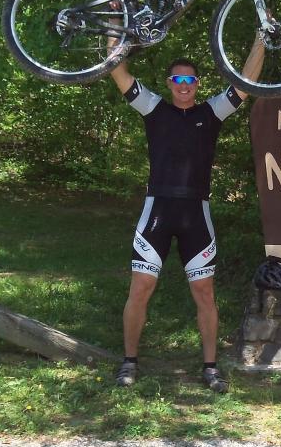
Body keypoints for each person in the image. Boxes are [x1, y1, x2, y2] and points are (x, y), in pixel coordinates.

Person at [108, 37, 265, 393]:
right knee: (141, 287)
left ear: (197, 85)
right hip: (158, 211)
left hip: (196, 212)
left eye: (190, 80)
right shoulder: (154, 108)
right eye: (178, 80)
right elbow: (117, 70)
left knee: (205, 293)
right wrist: (114, 27)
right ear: (169, 84)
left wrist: (260, 40)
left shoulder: (210, 112)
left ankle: (210, 368)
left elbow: (245, 84)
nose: (184, 86)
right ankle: (129, 362)